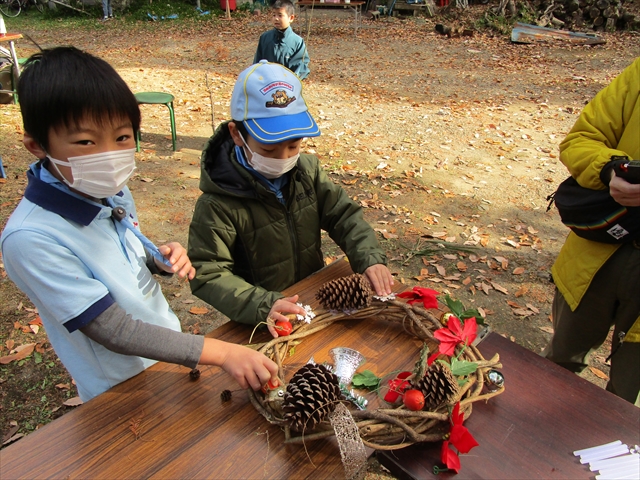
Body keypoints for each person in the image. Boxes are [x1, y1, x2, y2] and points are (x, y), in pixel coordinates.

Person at [0, 47, 278, 402]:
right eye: (86, 141)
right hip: (120, 390)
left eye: (122, 137)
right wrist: (223, 353)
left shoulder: (110, 191)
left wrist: (157, 257)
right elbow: (113, 329)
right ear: (37, 146)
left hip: (169, 363)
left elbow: (125, 255)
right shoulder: (31, 239)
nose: (109, 154)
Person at [188, 60, 393, 338]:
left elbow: (344, 216)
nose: (284, 158)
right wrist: (261, 304)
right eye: (269, 149)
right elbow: (208, 273)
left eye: (294, 145)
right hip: (265, 319)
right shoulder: (217, 204)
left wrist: (369, 258)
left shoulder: (307, 172)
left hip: (316, 298)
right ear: (237, 134)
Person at [543, 57, 640, 406]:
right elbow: (581, 139)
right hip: (597, 255)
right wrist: (610, 169)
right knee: (558, 365)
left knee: (629, 401)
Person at [254, 0, 310, 80]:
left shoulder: (297, 42)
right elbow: (257, 64)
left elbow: (300, 69)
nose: (276, 19)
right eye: (274, 15)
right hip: (267, 85)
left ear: (291, 18)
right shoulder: (265, 37)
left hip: (288, 86)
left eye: (280, 15)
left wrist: (290, 81)